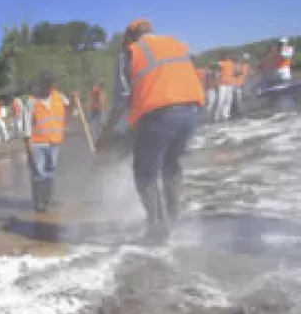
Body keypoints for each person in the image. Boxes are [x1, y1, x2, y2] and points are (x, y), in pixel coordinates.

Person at [98, 18, 204, 245]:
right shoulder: (176, 44)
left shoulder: (130, 53)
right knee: (171, 166)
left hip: (159, 114)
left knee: (145, 172)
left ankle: (157, 228)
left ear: (130, 36)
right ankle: (173, 221)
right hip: (191, 112)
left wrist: (107, 132)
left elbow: (123, 100)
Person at [25, 72, 70, 212]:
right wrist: (28, 145)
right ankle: (39, 204)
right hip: (38, 143)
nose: (49, 88)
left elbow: (70, 108)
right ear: (41, 84)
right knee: (39, 173)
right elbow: (26, 124)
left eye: (51, 85)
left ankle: (46, 201)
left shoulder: (59, 97)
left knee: (50, 172)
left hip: (55, 142)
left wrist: (74, 101)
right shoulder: (32, 100)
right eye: (47, 85)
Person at [216, 52, 236, 121]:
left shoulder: (231, 63)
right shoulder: (220, 63)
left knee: (229, 100)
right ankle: (217, 115)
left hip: (230, 84)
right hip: (222, 84)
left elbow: (235, 72)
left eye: (227, 56)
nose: (226, 57)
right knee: (221, 100)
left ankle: (226, 115)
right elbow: (217, 70)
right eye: (225, 56)